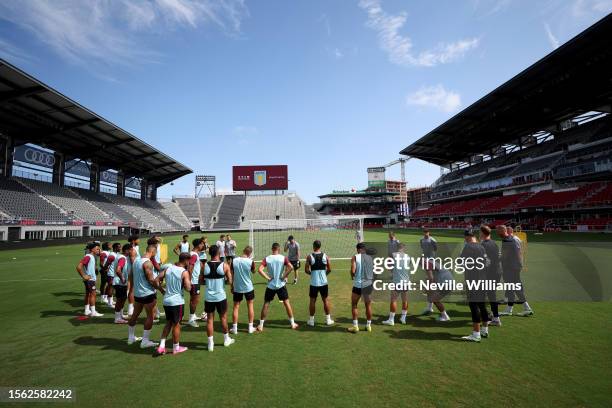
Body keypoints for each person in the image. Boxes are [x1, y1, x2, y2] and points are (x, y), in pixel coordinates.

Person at [127, 243, 164, 348]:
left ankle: (131, 338)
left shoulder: (136, 261)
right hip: (147, 293)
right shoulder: (147, 263)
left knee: (134, 315)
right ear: (152, 251)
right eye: (155, 253)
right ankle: (145, 341)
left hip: (138, 294)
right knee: (150, 316)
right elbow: (151, 280)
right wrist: (161, 289)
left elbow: (131, 276)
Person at [154, 252, 191, 355]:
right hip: (177, 302)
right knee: (176, 324)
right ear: (186, 260)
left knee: (169, 322)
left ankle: (161, 346)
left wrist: (162, 290)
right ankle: (176, 347)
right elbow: (188, 288)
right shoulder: (184, 272)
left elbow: (156, 280)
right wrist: (187, 284)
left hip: (166, 301)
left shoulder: (168, 269)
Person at [257, 243, 299, 331]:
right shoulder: (283, 258)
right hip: (281, 285)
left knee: (266, 304)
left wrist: (268, 278)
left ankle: (261, 326)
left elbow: (259, 270)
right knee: (286, 303)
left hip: (271, 285)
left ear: (272, 249)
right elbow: (291, 267)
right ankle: (292, 323)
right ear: (279, 249)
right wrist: (284, 277)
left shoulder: (267, 258)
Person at [203, 245, 235, 351]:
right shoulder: (225, 265)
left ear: (209, 254)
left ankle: (210, 344)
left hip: (209, 297)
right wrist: (231, 288)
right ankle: (226, 339)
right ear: (218, 253)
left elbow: (201, 280)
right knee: (223, 318)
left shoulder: (205, 266)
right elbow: (230, 280)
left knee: (209, 320)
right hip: (220, 297)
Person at [497, 225, 533, 317]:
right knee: (513, 288)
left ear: (502, 231)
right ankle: (520, 308)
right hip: (515, 266)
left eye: (498, 231)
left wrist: (492, 260)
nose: (497, 233)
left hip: (511, 268)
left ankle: (519, 309)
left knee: (512, 288)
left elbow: (504, 257)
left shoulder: (507, 241)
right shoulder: (509, 239)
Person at [460, 229, 489, 342]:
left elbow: (461, 262)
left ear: (467, 237)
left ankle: (476, 334)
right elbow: (486, 262)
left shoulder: (467, 247)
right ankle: (485, 330)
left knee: (473, 306)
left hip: (472, 279)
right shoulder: (481, 246)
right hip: (482, 278)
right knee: (482, 305)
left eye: (465, 237)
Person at [304, 240, 334, 326]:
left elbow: (306, 270)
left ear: (313, 246)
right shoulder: (326, 256)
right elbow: (329, 269)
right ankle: (328, 320)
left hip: (314, 283)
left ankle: (311, 321)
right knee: (325, 300)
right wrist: (324, 275)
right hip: (324, 283)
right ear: (320, 246)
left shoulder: (309, 257)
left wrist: (312, 274)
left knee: (312, 301)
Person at [348, 242, 373, 333]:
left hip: (358, 285)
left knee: (354, 305)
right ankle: (368, 326)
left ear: (358, 249)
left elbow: (353, 271)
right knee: (368, 305)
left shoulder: (355, 257)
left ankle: (355, 327)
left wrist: (352, 275)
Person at [231, 246, 257, 334]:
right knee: (250, 305)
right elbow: (254, 271)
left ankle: (234, 328)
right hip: (248, 287)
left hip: (237, 287)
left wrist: (232, 286)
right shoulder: (250, 261)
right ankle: (250, 327)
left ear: (243, 251)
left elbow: (232, 274)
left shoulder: (234, 261)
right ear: (250, 253)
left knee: (236, 307)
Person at [382, 243, 409, 326]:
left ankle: (391, 319)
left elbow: (388, 265)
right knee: (405, 299)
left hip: (397, 281)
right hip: (406, 281)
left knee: (393, 299)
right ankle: (403, 318)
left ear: (397, 248)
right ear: (404, 249)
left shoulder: (393, 255)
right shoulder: (408, 257)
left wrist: (392, 271)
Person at [480, 225, 502, 326]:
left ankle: (495, 318)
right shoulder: (494, 243)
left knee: (487, 295)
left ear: (482, 233)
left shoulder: (483, 245)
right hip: (497, 272)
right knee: (491, 294)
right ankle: (493, 315)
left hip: (490, 273)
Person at [76, 242, 103, 317]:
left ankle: (87, 310)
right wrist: (84, 276)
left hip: (90, 279)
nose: (98, 250)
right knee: (93, 294)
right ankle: (93, 312)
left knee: (88, 294)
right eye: (97, 249)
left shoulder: (91, 256)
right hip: (89, 280)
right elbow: (78, 267)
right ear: (92, 249)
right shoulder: (88, 256)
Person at [112, 244, 134, 324]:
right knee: (120, 300)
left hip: (119, 282)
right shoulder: (122, 258)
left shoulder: (120, 256)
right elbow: (118, 270)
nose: (132, 252)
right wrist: (122, 278)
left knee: (122, 299)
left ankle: (120, 315)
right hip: (119, 282)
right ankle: (117, 318)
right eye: (131, 250)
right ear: (127, 250)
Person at [186, 238, 205, 327]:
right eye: (202, 244)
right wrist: (189, 281)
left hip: (194, 280)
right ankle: (190, 319)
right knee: (195, 300)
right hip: (193, 281)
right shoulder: (194, 255)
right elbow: (190, 268)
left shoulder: (194, 254)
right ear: (198, 245)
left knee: (193, 299)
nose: (203, 245)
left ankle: (192, 316)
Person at [420, 229, 438, 315]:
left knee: (430, 276)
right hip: (425, 258)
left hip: (431, 259)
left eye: (427, 232)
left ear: (429, 233)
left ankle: (429, 288)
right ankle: (429, 287)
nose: (426, 234)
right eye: (424, 232)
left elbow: (435, 248)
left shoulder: (433, 240)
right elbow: (422, 248)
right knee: (428, 275)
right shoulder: (421, 240)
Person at [104, 243, 121, 308]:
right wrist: (106, 271)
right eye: (119, 247)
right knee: (111, 288)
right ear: (115, 248)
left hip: (114, 274)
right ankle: (110, 303)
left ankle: (111, 300)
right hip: (111, 274)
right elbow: (106, 265)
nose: (120, 248)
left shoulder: (117, 254)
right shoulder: (112, 255)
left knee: (113, 288)